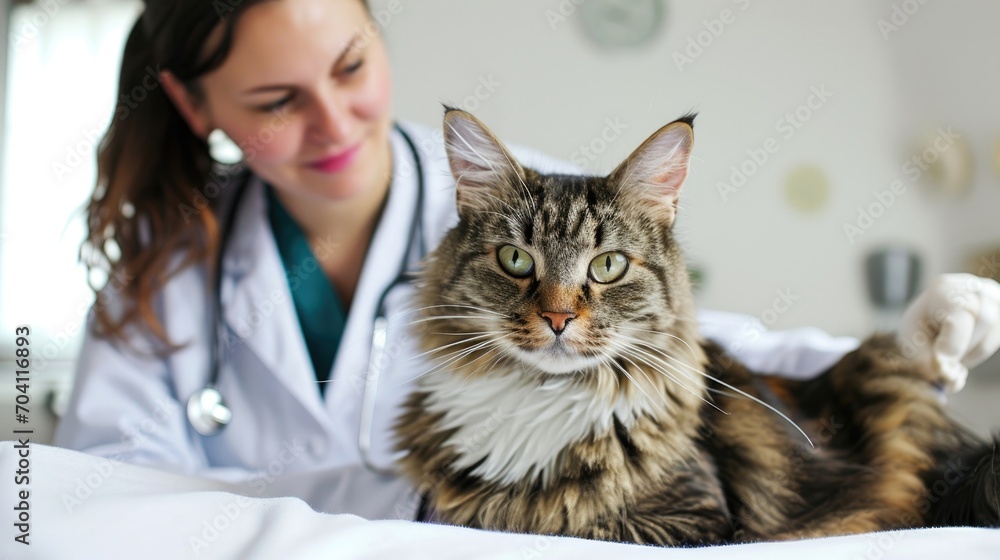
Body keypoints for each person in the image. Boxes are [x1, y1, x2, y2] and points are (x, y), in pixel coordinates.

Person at [54, 0, 1000, 520]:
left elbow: (702, 342)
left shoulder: (527, 196)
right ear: (194, 106)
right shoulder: (163, 263)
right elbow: (97, 491)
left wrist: (898, 353)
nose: (334, 124)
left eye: (349, 67)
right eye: (274, 100)